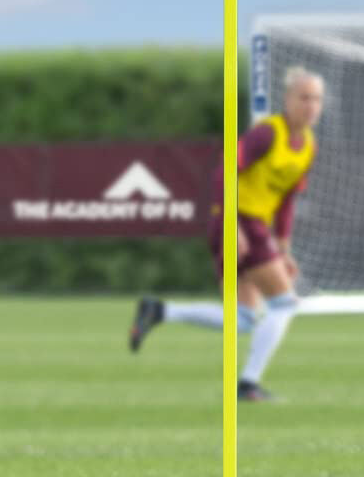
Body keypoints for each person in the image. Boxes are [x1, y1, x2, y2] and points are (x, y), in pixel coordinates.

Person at [129, 67, 324, 402]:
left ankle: (159, 311)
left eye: (317, 99)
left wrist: (284, 246)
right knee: (285, 303)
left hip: (253, 226)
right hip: (239, 220)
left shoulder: (307, 145)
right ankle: (248, 385)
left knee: (245, 318)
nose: (311, 105)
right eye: (303, 97)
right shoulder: (267, 134)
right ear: (287, 100)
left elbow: (288, 197)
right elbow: (224, 171)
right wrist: (232, 224)